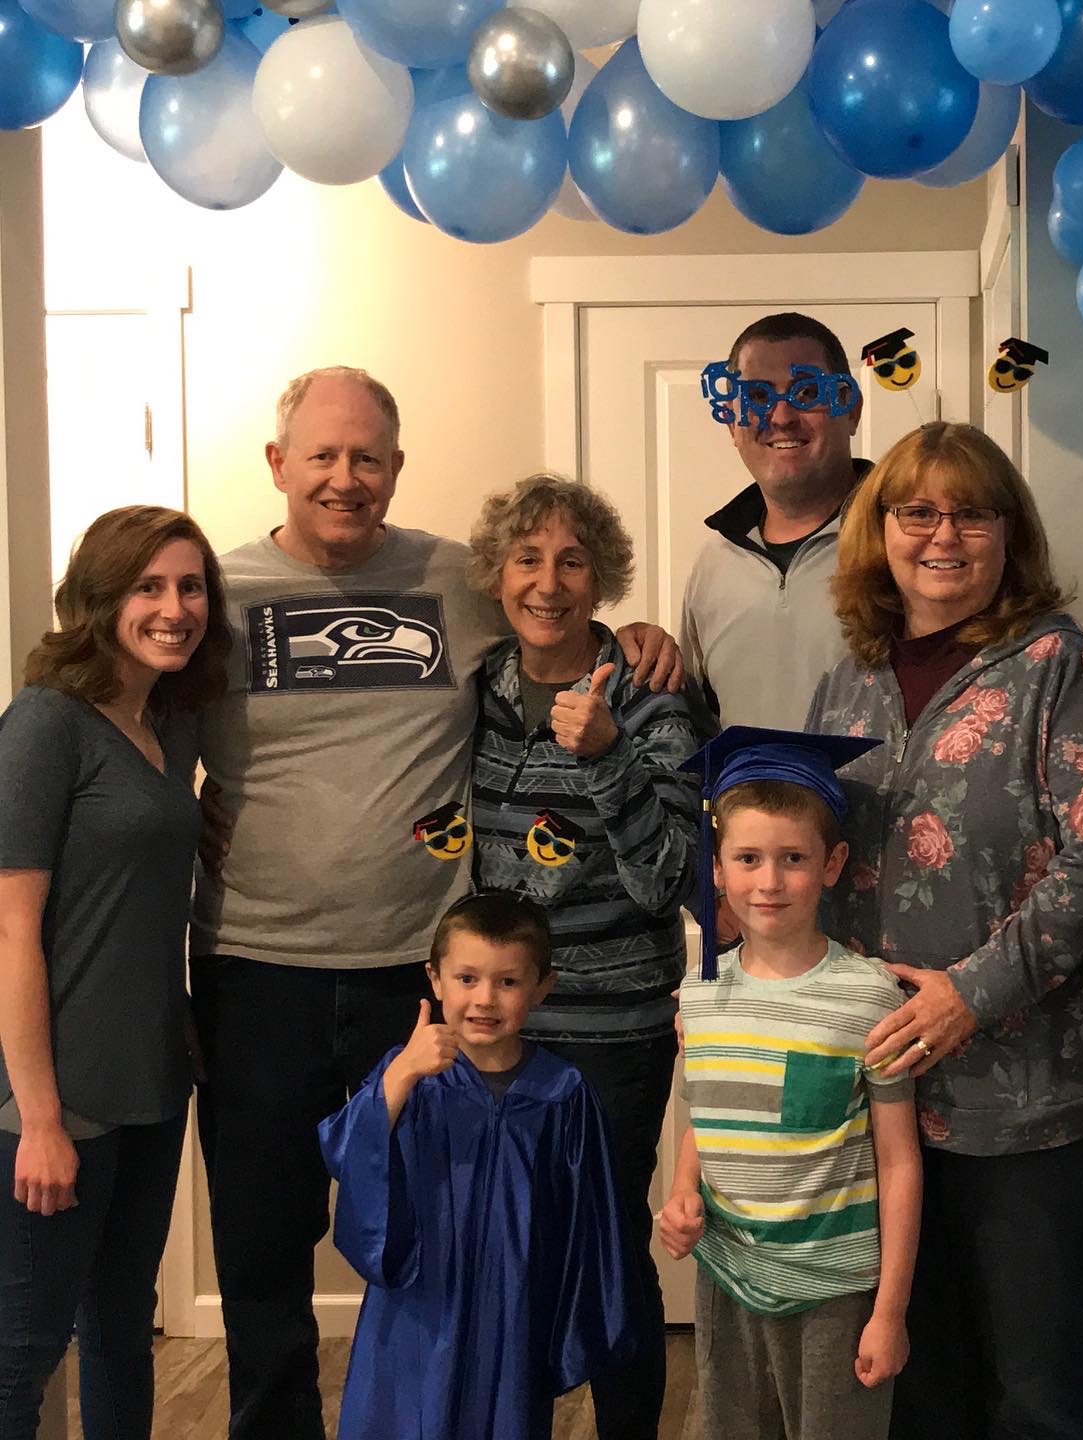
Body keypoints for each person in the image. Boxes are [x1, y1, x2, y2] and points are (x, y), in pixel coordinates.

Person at [191, 367, 681, 1440]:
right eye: (322, 455)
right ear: (278, 464)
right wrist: (177, 812)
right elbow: (143, 712)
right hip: (255, 966)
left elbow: (556, 603)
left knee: (446, 1236)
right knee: (263, 1247)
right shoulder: (216, 596)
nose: (345, 477)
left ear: (397, 467)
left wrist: (637, 634)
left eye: (367, 457)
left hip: (418, 979)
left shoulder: (457, 578)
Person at [806, 421, 1083, 1440]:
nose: (943, 535)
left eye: (972, 513)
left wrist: (970, 995)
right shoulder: (848, 678)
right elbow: (811, 851)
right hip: (880, 1096)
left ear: (1008, 532)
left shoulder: (1060, 668)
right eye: (917, 512)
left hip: (1028, 1103)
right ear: (880, 530)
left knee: (1033, 1390)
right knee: (916, 1385)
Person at [467, 473, 698, 1440]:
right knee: (506, 1250)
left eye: (572, 562)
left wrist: (606, 754)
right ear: (496, 575)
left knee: (604, 1254)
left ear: (602, 579)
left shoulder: (649, 698)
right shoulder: (478, 688)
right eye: (527, 559)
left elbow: (669, 879)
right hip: (495, 1028)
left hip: (612, 1030)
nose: (548, 582)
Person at [0, 506, 231, 1440]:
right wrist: (39, 1119)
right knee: (20, 1353)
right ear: (99, 598)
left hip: (151, 1078)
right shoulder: (44, 723)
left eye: (190, 586)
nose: (175, 608)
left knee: (121, 1331)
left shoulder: (168, 724)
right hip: (59, 1091)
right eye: (148, 586)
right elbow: (11, 929)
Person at [660, 727, 922, 1440]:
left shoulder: (869, 997)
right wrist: (682, 1192)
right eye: (748, 858)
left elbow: (899, 1161)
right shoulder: (699, 995)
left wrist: (890, 1312)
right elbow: (706, 1116)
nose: (769, 882)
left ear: (832, 864)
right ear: (717, 868)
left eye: (793, 859)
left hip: (834, 1292)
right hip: (728, 1279)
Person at [319, 892, 635, 1440]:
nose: (484, 999)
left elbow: (590, 1222)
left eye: (507, 982)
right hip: (420, 1301)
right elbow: (347, 1152)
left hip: (513, 1305)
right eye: (466, 978)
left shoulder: (562, 1092)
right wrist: (402, 1075)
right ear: (435, 979)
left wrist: (571, 1323)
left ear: (542, 987)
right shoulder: (410, 1076)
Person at [681, 312, 867, 730]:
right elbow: (694, 726)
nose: (781, 417)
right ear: (732, 423)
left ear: (851, 409)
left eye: (807, 392)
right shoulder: (714, 564)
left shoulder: (909, 544)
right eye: (757, 397)